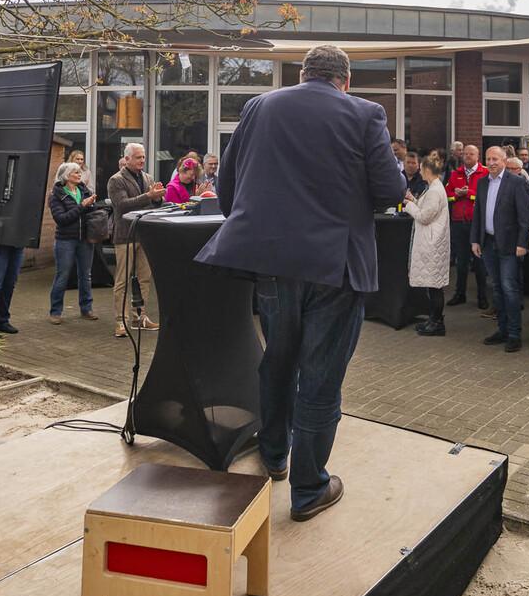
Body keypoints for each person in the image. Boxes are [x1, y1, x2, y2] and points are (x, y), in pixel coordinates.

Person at [195, 45, 405, 522]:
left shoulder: (258, 107)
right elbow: (391, 190)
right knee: (320, 377)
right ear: (345, 81)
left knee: (279, 359)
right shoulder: (366, 113)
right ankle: (309, 489)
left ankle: (274, 454)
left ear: (302, 74)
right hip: (335, 266)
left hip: (272, 263)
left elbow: (227, 188)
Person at [471, 146, 529, 352]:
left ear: (504, 161)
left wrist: (522, 243)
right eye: (488, 159)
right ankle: (502, 329)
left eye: (495, 159)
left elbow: (525, 217)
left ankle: (514, 334)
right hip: (488, 243)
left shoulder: (516, 182)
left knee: (509, 288)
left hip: (509, 245)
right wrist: (475, 240)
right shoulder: (482, 183)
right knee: (496, 287)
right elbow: (478, 214)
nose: (491, 162)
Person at [107, 142, 163, 339]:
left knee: (144, 279)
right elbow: (122, 205)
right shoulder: (116, 180)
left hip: (144, 235)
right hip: (125, 235)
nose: (142, 160)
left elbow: (154, 205)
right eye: (138, 157)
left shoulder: (148, 177)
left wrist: (157, 198)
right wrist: (149, 195)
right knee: (122, 280)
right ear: (127, 158)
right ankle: (120, 321)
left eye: (143, 157)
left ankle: (139, 317)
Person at [47, 161, 99, 323]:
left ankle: (86, 309)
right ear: (66, 176)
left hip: (85, 239)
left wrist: (92, 205)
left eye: (79, 172)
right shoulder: (56, 195)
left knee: (85, 275)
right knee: (62, 275)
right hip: (65, 240)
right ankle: (55, 312)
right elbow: (61, 219)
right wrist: (82, 206)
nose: (79, 174)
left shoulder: (84, 190)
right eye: (75, 172)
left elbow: (91, 212)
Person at [407, 154, 451, 337]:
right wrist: (413, 200)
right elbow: (427, 209)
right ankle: (433, 319)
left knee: (434, 286)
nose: (419, 172)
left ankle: (437, 322)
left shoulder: (434, 190)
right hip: (433, 241)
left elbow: (424, 217)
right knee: (432, 285)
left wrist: (408, 205)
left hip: (432, 243)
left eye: (421, 169)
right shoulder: (434, 187)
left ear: (426, 170)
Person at [445, 144, 489, 309]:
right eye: (465, 154)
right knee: (461, 262)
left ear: (478, 156)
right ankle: (460, 294)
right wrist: (456, 195)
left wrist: (468, 193)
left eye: (471, 154)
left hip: (477, 223)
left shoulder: (485, 173)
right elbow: (446, 194)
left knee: (479, 263)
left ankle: (482, 297)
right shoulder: (455, 173)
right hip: (458, 223)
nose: (468, 156)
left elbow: (487, 197)